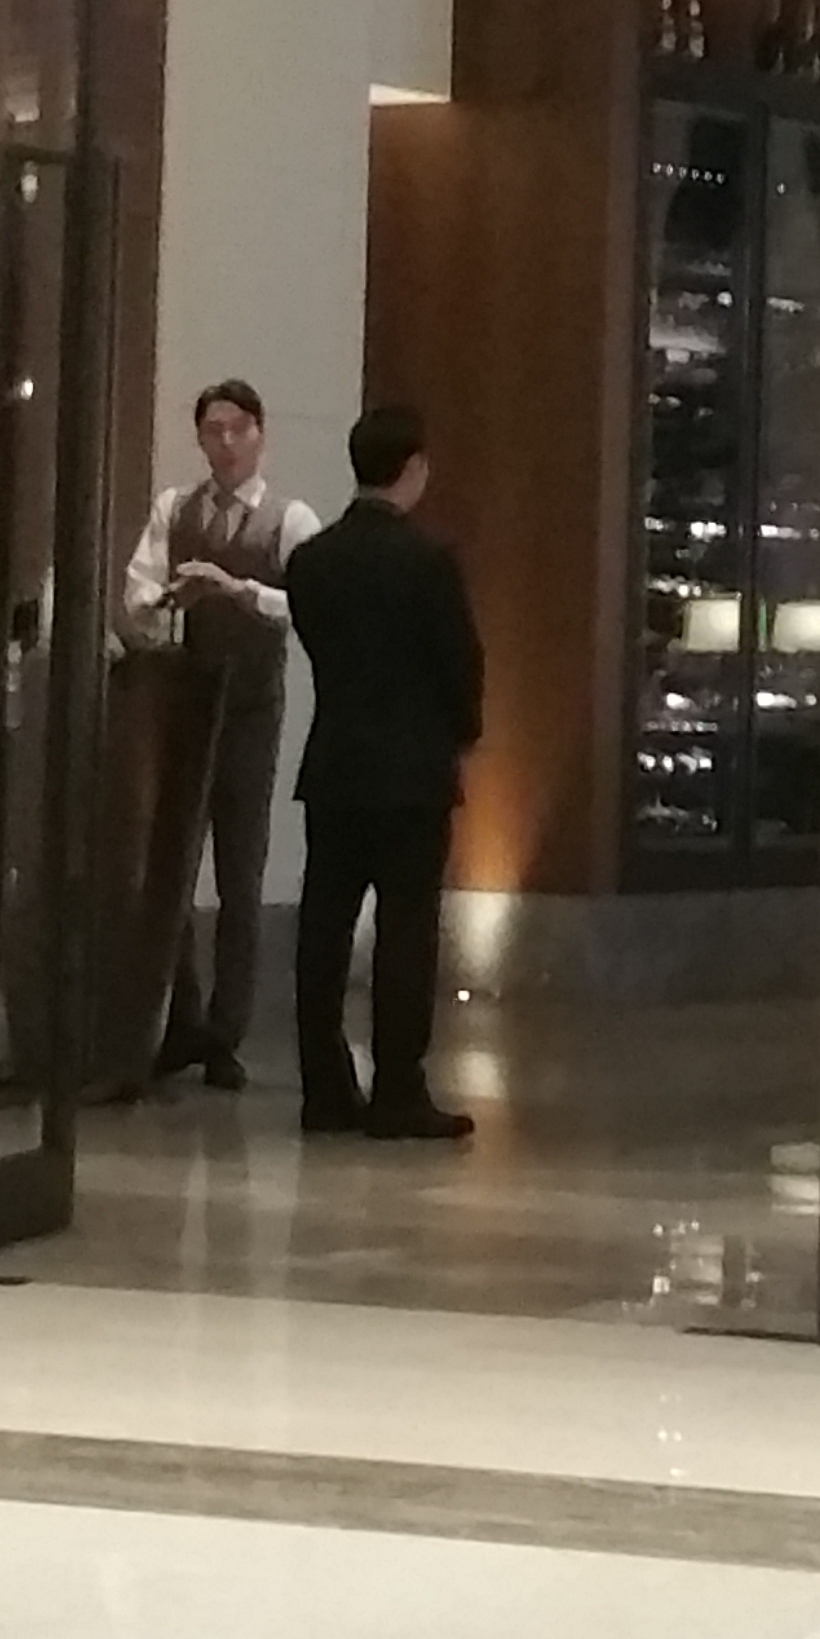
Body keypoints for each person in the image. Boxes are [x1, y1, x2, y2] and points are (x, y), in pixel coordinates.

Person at [285, 403, 484, 1142]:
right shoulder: (429, 562)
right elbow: (460, 662)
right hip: (412, 770)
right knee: (405, 930)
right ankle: (398, 1089)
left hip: (335, 762)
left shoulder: (312, 561)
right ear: (414, 467)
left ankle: (324, 1087)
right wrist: (461, 732)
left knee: (323, 929)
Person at [117, 379, 316, 1089]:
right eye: (213, 431)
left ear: (260, 434)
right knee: (170, 863)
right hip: (182, 703)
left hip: (252, 708)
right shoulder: (176, 509)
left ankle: (227, 1029)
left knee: (240, 870)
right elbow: (136, 594)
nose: (226, 444)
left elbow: (312, 602)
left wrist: (238, 590)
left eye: (238, 430)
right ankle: (181, 1017)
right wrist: (170, 598)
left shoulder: (291, 519)